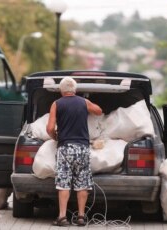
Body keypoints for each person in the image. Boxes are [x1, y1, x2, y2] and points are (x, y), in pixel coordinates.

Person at [46, 77, 102, 226]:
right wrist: (88, 106)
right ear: (75, 90)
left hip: (65, 148)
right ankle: (81, 217)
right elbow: (98, 111)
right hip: (82, 148)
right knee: (82, 182)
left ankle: (62, 217)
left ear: (61, 90)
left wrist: (55, 137)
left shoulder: (56, 104)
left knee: (64, 182)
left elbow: (50, 128)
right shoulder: (83, 102)